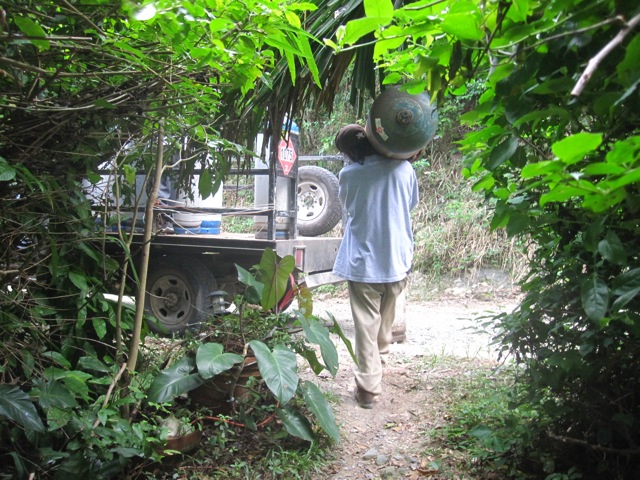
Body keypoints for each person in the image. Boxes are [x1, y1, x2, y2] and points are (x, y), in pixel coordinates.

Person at [332, 123, 419, 409]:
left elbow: (349, 207)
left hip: (363, 262)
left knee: (366, 325)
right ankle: (375, 367)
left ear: (348, 152)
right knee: (384, 322)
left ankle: (369, 387)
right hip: (396, 258)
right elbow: (410, 204)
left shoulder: (348, 174)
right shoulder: (404, 169)